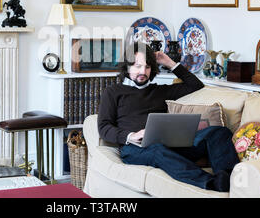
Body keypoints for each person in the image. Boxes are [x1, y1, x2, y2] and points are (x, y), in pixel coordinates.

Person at [97, 42, 239, 192]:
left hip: (170, 145)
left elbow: (195, 85)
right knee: (157, 149)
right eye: (137, 66)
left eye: (147, 67)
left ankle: (231, 179)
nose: (142, 71)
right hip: (134, 149)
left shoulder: (160, 91)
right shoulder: (113, 92)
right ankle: (212, 183)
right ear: (127, 67)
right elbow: (104, 127)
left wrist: (169, 63)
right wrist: (131, 136)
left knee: (218, 132)